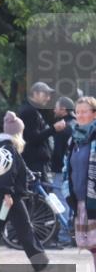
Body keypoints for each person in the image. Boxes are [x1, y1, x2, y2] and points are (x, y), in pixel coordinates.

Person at [0, 111, 50, 271]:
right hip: (9, 197)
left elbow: (16, 169)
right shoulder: (9, 148)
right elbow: (7, 174)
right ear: (18, 133)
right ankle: (40, 262)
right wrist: (8, 195)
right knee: (24, 228)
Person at [65, 96, 96, 272]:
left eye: (85, 111)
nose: (81, 115)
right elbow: (71, 169)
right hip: (82, 201)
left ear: (94, 113)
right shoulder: (74, 139)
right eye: (78, 111)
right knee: (93, 248)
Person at [19, 82, 67, 175]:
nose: (48, 98)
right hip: (34, 162)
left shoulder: (33, 110)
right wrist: (54, 128)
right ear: (35, 94)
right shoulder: (30, 111)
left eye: (49, 95)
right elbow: (33, 138)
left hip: (36, 161)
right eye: (45, 94)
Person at [51, 96, 77, 246]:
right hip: (76, 169)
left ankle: (64, 236)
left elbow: (58, 152)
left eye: (56, 106)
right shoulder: (76, 124)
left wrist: (54, 167)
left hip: (63, 170)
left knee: (61, 201)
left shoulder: (63, 127)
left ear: (63, 109)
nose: (54, 109)